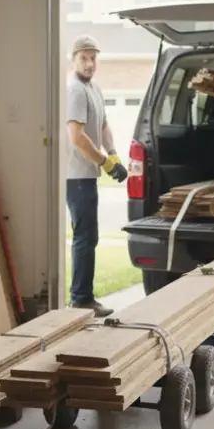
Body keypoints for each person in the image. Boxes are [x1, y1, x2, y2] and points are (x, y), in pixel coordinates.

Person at [65, 35, 128, 318]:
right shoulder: (75, 90)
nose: (89, 63)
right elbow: (77, 138)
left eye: (93, 58)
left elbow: (102, 125)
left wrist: (113, 153)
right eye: (84, 58)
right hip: (76, 175)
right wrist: (106, 164)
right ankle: (81, 298)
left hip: (87, 174)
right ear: (73, 59)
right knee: (85, 236)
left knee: (89, 236)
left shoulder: (95, 89)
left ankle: (83, 296)